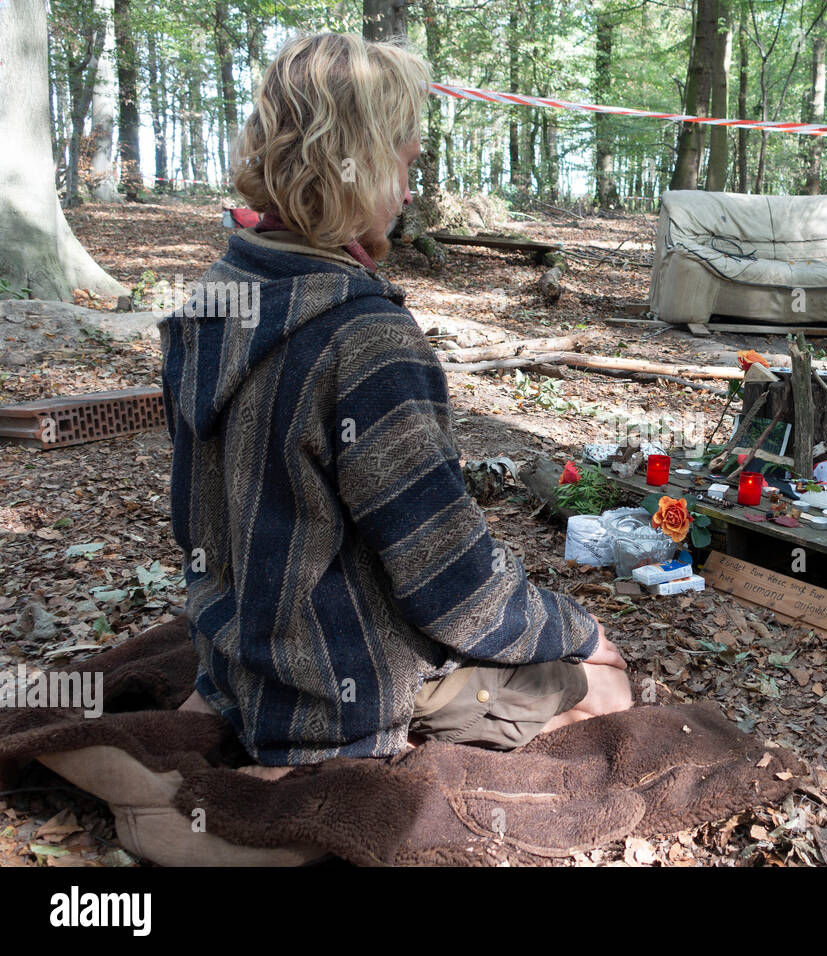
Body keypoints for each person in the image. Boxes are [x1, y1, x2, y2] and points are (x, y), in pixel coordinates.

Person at [163, 33, 631, 770]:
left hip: (237, 656)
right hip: (339, 685)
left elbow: (196, 516)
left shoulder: (214, 297)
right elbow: (454, 586)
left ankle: (207, 734)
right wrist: (576, 630)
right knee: (607, 691)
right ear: (357, 165)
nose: (409, 192)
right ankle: (262, 805)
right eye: (405, 165)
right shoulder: (364, 336)